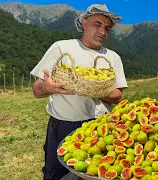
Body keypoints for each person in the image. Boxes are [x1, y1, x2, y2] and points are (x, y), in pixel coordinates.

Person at [30, 4, 128, 180]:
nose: (102, 32)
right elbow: (36, 90)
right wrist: (47, 88)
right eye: (97, 24)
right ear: (84, 23)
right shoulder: (62, 48)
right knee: (56, 174)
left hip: (99, 127)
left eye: (107, 28)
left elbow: (118, 95)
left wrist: (93, 90)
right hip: (63, 125)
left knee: (93, 174)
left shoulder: (113, 57)